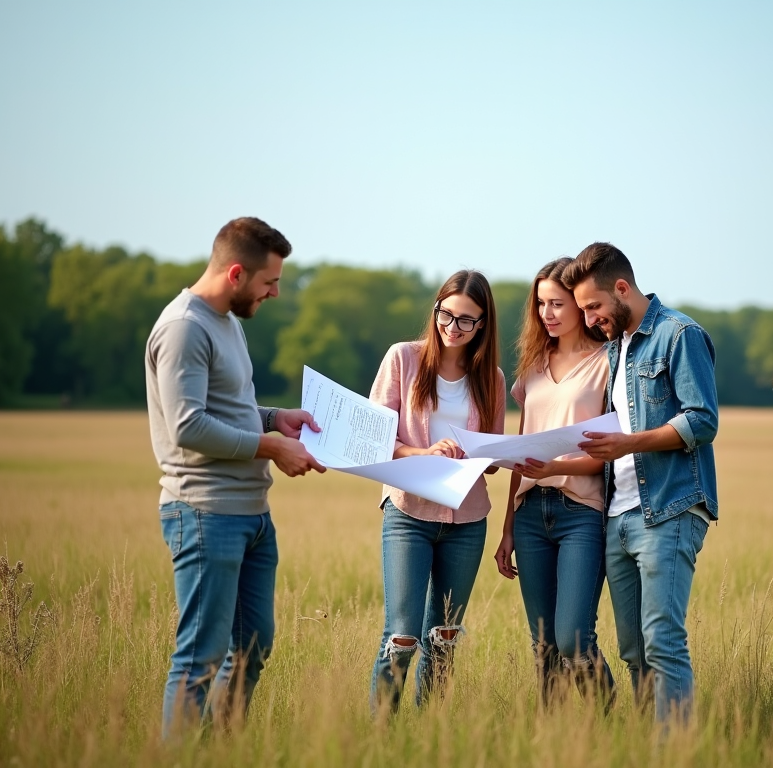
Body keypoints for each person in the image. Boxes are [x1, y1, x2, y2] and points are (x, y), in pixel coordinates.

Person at [145, 217, 326, 737]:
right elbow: (188, 425)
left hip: (251, 515)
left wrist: (275, 419)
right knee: (201, 657)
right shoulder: (185, 328)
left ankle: (221, 745)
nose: (273, 293)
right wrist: (270, 446)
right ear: (236, 273)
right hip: (205, 513)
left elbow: (230, 407)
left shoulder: (227, 321)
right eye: (269, 283)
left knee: (252, 646)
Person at [563, 242, 719, 722]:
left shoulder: (679, 334)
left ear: (623, 288)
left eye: (593, 306)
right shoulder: (615, 348)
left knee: (663, 641)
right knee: (633, 649)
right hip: (618, 515)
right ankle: (652, 740)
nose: (589, 319)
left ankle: (676, 750)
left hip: (669, 508)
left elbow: (702, 421)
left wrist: (629, 444)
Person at [368, 269, 506, 715]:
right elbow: (372, 436)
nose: (453, 327)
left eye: (467, 320)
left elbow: (495, 448)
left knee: (444, 638)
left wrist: (496, 455)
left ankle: (430, 737)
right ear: (436, 310)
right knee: (402, 636)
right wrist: (422, 451)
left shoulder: (493, 379)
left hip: (467, 520)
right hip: (408, 512)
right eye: (446, 314)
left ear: (483, 324)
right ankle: (379, 739)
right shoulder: (403, 359)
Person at [492, 257, 615, 706]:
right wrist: (507, 528)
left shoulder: (607, 364)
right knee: (543, 646)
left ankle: (608, 712)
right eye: (541, 304)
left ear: (580, 306)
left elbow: (611, 455)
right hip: (529, 516)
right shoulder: (533, 366)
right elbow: (524, 449)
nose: (547, 313)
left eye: (558, 304)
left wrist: (557, 467)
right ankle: (554, 741)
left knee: (573, 639)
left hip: (581, 512)